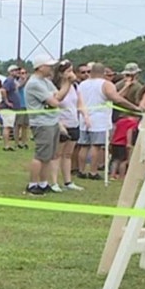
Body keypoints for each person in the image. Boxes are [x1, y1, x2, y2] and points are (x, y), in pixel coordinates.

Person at [77, 62, 140, 180]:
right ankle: (93, 172)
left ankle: (81, 170)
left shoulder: (82, 84)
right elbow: (116, 98)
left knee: (84, 146)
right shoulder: (106, 84)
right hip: (99, 119)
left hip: (84, 118)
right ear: (103, 73)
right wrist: (133, 107)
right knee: (96, 146)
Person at [23, 54, 76, 195]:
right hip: (42, 123)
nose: (51, 68)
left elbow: (59, 95)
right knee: (40, 156)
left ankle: (43, 183)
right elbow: (55, 101)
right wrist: (66, 83)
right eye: (49, 66)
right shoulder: (34, 83)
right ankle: (32, 184)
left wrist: (67, 84)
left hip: (51, 121)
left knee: (49, 156)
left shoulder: (45, 81)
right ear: (40, 67)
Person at [52, 60, 91, 192]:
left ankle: (68, 181)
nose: (71, 74)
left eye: (72, 71)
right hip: (61, 122)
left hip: (73, 122)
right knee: (57, 154)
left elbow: (79, 103)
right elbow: (56, 101)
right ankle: (54, 182)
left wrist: (85, 115)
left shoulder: (75, 87)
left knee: (68, 154)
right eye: (68, 71)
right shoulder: (55, 87)